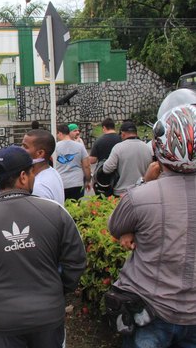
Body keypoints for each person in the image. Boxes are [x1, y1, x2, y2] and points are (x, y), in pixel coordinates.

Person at [0, 146, 86, 348]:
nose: (33, 177)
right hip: (48, 318)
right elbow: (75, 262)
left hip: (0, 322)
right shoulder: (55, 212)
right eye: (32, 173)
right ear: (23, 176)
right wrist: (56, 293)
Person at [108, 104, 196, 347]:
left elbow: (116, 226)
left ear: (159, 145)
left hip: (151, 309)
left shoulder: (141, 197)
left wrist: (143, 182)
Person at [102, 120, 153, 197]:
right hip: (143, 192)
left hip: (122, 193)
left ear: (123, 134)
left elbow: (107, 169)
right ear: (136, 133)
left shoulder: (118, 148)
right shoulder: (147, 148)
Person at [21, 129, 65, 205]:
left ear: (40, 153)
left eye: (25, 147)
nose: (21, 149)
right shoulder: (52, 172)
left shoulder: (37, 187)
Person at [55, 124, 91, 201]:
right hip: (77, 182)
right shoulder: (79, 146)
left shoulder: (55, 147)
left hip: (61, 183)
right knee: (77, 208)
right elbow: (86, 165)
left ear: (60, 133)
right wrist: (88, 180)